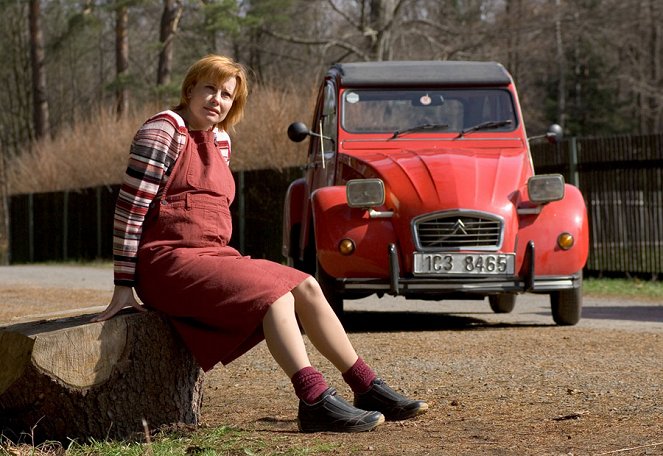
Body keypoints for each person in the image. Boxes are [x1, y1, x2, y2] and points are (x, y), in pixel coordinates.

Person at [93, 54, 428, 433]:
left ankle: (365, 385)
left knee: (307, 285)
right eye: (209, 88)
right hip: (165, 263)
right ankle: (314, 399)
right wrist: (123, 285)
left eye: (226, 95)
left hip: (213, 255)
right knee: (274, 295)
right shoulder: (162, 131)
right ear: (189, 89)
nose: (216, 100)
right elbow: (129, 210)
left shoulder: (221, 141)